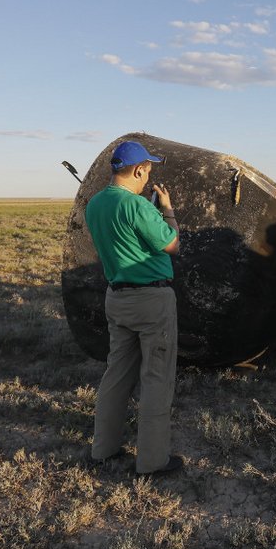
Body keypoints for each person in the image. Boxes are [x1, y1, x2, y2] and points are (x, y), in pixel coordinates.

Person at [85, 141, 182, 475]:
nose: (148, 177)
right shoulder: (138, 206)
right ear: (139, 170)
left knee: (116, 374)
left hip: (117, 298)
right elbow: (172, 244)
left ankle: (103, 449)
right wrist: (166, 210)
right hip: (151, 301)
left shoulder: (95, 204)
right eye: (148, 170)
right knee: (156, 378)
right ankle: (153, 462)